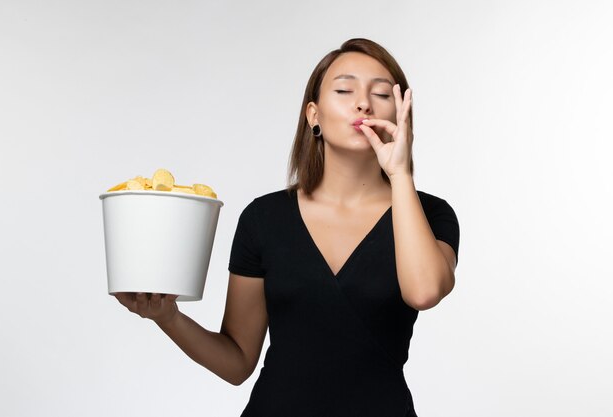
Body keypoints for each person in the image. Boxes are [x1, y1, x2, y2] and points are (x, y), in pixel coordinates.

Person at [114, 38, 459, 417]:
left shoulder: (431, 214)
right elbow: (237, 362)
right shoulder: (264, 219)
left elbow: (424, 292)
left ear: (401, 112)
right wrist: (168, 317)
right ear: (313, 114)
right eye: (344, 90)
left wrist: (399, 174)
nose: (363, 103)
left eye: (381, 93)